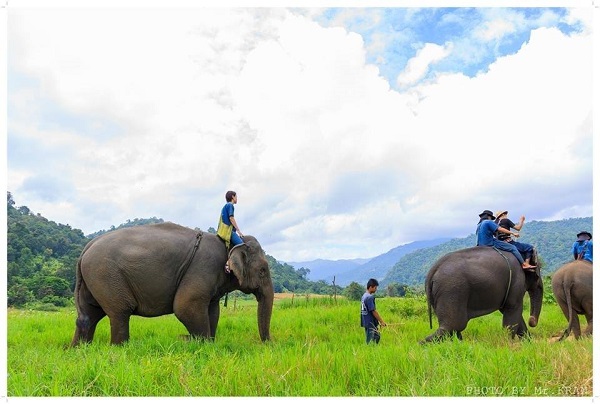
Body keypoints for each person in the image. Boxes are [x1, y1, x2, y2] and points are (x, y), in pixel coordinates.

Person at [360, 278, 387, 344]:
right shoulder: (369, 297)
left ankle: (371, 350)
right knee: (372, 340)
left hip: (365, 321)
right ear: (371, 287)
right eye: (375, 287)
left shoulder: (364, 296)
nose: (376, 289)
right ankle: (370, 351)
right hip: (370, 322)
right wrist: (381, 321)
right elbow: (373, 311)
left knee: (374, 337)